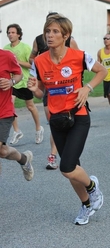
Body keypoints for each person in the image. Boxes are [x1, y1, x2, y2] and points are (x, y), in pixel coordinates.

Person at [28, 14, 106, 225]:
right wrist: (35, 88)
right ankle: (86, 205)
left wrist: (87, 88)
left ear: (66, 35)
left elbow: (102, 71)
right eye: (47, 32)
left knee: (67, 167)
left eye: (55, 32)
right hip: (56, 119)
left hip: (78, 115)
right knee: (72, 169)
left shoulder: (80, 55)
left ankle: (92, 188)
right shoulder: (39, 62)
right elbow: (41, 92)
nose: (50, 36)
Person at [29, 11, 80, 170]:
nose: (50, 33)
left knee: (67, 123)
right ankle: (53, 155)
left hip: (67, 88)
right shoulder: (38, 40)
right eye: (48, 28)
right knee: (54, 121)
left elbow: (78, 61)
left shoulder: (69, 40)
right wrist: (37, 67)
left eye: (55, 27)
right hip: (49, 87)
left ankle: (68, 153)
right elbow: (32, 57)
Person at [3, 24, 44, 145]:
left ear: (18, 35)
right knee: (9, 105)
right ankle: (17, 131)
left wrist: (17, 61)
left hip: (25, 81)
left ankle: (38, 128)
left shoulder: (25, 47)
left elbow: (31, 64)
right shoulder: (5, 48)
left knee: (30, 106)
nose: (10, 34)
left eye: (13, 32)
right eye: (9, 32)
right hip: (12, 82)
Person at [0, 49, 34, 181]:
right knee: (2, 151)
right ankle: (24, 159)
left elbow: (18, 73)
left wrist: (10, 82)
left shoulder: (6, 56)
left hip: (3, 111)